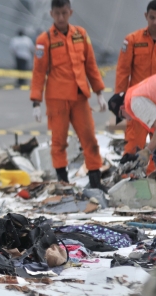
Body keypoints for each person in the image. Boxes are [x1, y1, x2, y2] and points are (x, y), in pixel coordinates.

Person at [30, 0, 108, 189]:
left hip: (80, 96)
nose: (61, 17)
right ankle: (63, 182)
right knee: (58, 142)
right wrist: (36, 102)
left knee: (89, 138)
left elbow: (90, 65)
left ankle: (96, 181)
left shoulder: (80, 35)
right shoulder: (45, 39)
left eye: (64, 13)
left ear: (70, 12)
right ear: (51, 14)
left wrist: (99, 92)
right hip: (57, 99)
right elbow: (39, 72)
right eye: (57, 14)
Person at [115, 0, 156, 172]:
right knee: (133, 145)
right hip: (138, 104)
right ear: (146, 16)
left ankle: (152, 181)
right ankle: (128, 182)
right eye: (152, 18)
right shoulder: (132, 40)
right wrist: (119, 97)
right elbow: (123, 71)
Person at [108, 73, 156, 195]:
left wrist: (148, 151)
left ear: (122, 108)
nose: (128, 120)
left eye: (123, 116)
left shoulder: (135, 102)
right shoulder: (138, 92)